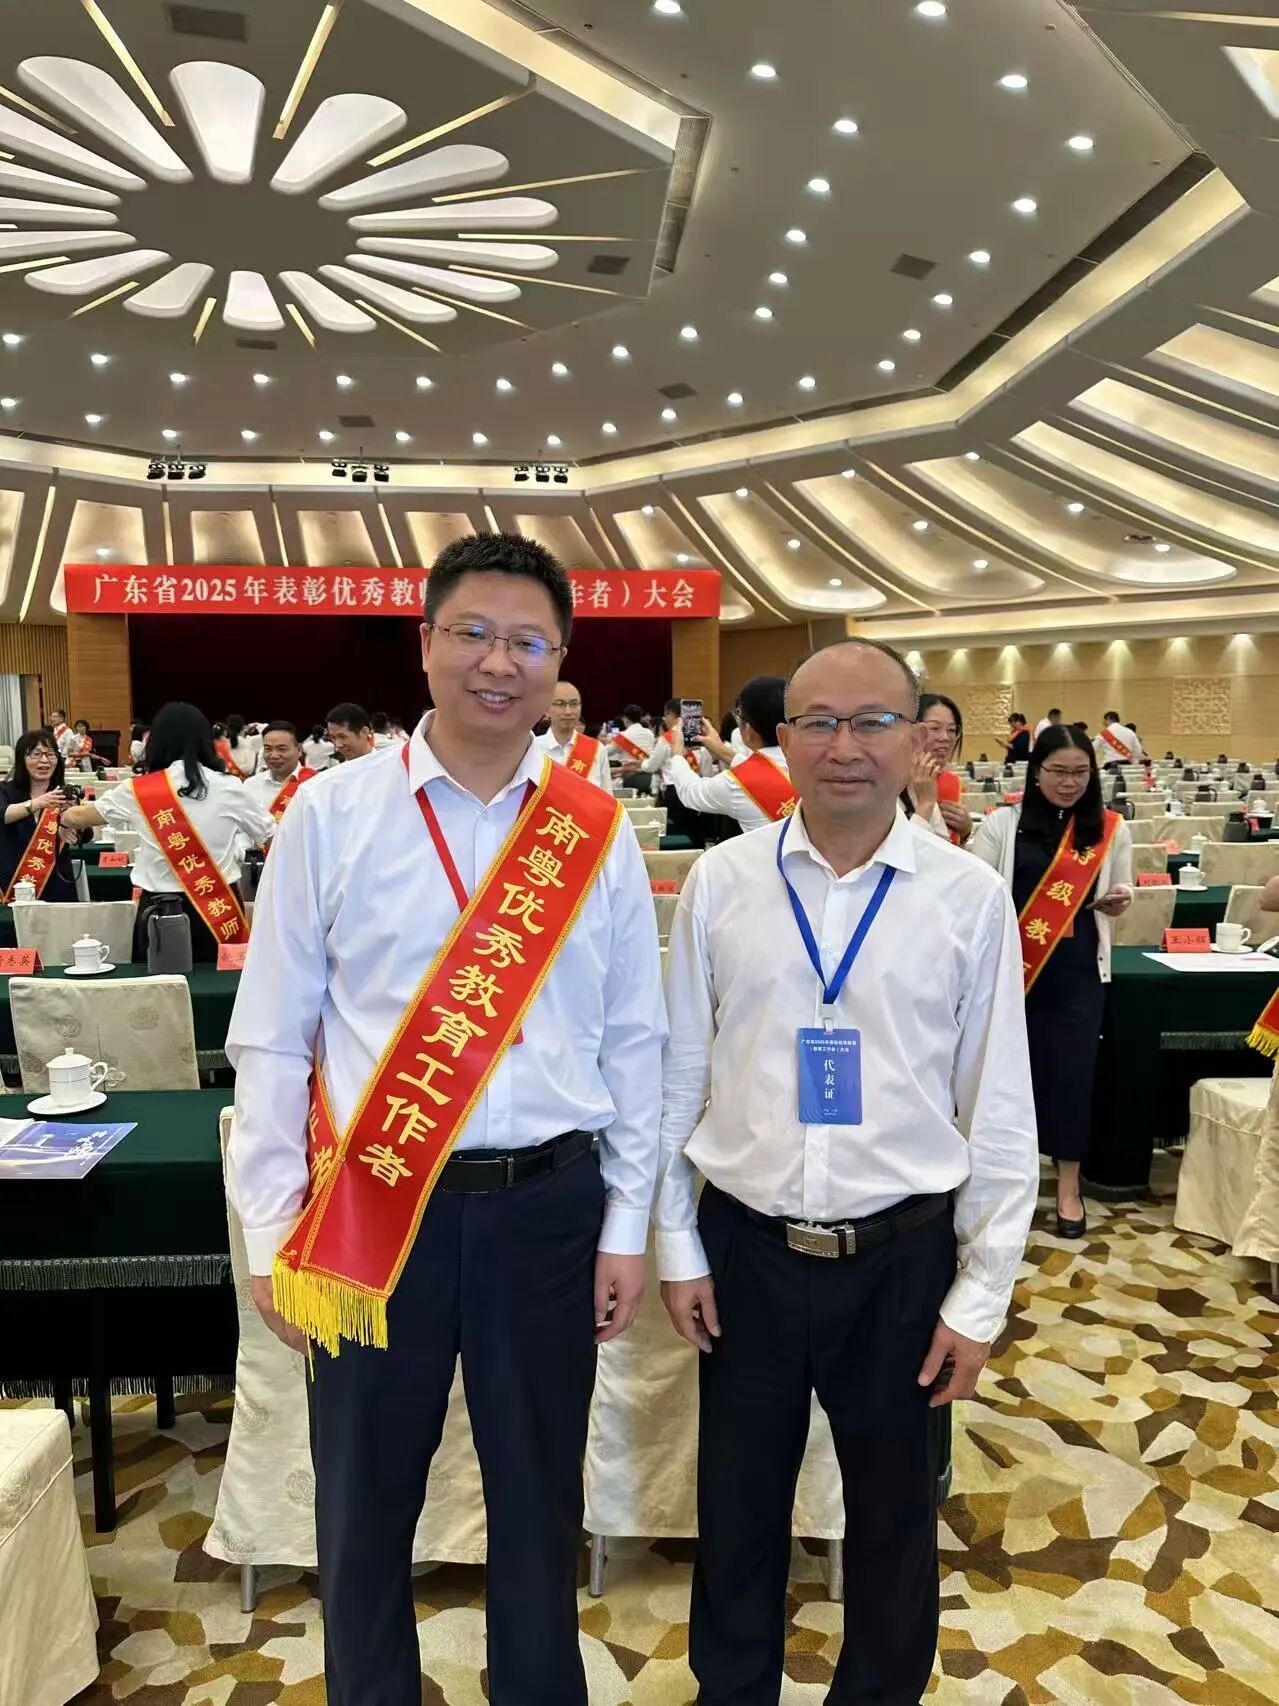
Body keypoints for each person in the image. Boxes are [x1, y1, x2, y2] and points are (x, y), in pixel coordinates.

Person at [226, 532, 665, 1706]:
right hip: (374, 1209)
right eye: (472, 632)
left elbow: (636, 1040)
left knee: (539, 1499)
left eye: (526, 641)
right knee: (363, 1500)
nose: (497, 662)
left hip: (548, 1209)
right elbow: (272, 1035)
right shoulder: (329, 814)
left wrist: (627, 1224)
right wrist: (271, 1231)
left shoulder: (593, 829)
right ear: (424, 643)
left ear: (558, 660)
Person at [658, 638, 1037, 1706]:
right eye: (818, 722)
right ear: (782, 739)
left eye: (873, 721)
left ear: (918, 741)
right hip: (745, 1249)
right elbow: (678, 1074)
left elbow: (997, 1105)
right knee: (736, 1510)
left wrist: (981, 1295)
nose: (844, 746)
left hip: (901, 1258)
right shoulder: (723, 882)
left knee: (893, 1520)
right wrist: (677, 1243)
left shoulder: (967, 897)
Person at [970, 724, 1133, 1235]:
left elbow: (1122, 886)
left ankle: (1068, 1186)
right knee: (1004, 1077)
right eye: (1058, 771)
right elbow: (973, 893)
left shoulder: (1109, 828)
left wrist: (1122, 898)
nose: (1069, 782)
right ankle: (1000, 1181)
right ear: (1036, 771)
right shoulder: (1003, 824)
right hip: (1012, 972)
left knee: (1071, 1078)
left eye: (1080, 772)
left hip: (1077, 973)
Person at [61, 702, 274, 964]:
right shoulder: (230, 786)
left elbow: (78, 817)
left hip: (158, 911)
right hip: (219, 908)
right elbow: (272, 835)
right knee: (225, 983)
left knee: (161, 986)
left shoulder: (137, 789)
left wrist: (63, 817)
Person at [663, 675, 796, 833]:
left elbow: (690, 792)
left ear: (748, 730)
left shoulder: (736, 784)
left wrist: (677, 755)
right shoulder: (807, 762)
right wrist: (721, 749)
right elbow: (766, 771)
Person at [0, 730, 89, 903]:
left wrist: (74, 820)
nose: (44, 760)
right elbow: (2, 815)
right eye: (36, 754)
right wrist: (37, 803)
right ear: (22, 759)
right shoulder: (5, 790)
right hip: (13, 886)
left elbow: (84, 836)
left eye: (50, 754)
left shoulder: (64, 793)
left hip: (58, 886)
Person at [905, 691, 972, 845]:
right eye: (935, 728)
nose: (945, 738)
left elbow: (943, 854)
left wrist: (965, 832)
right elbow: (898, 853)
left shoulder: (947, 781)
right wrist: (926, 804)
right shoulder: (885, 786)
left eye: (952, 730)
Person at [535, 680, 613, 791]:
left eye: (574, 704)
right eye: (560, 704)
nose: (568, 712)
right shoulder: (532, 750)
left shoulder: (597, 749)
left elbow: (607, 796)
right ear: (546, 709)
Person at [242, 721, 315, 823]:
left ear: (299, 750)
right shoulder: (250, 785)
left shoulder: (315, 783)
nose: (274, 756)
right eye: (268, 749)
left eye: (282, 749)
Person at [608, 702, 655, 777]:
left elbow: (605, 753)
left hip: (629, 777)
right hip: (648, 775)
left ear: (626, 719)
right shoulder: (649, 733)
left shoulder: (622, 736)